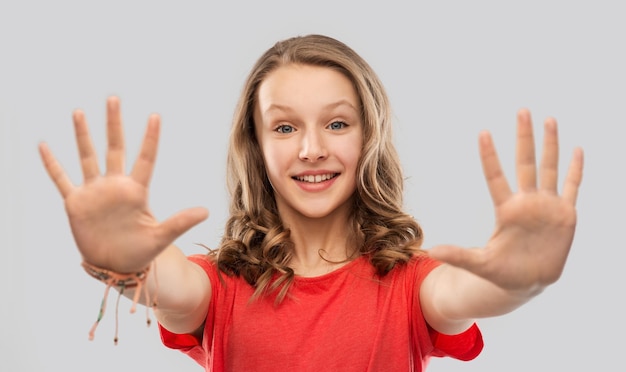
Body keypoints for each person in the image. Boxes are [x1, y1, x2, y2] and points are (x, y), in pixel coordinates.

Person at [38, 34, 584, 371]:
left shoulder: (412, 284)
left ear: (367, 137)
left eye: (337, 122)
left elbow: (473, 291)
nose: (311, 148)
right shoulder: (219, 286)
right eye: (284, 127)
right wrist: (123, 257)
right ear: (256, 145)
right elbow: (169, 285)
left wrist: (522, 278)